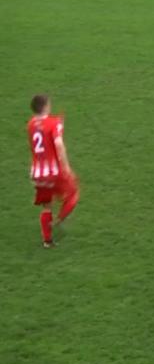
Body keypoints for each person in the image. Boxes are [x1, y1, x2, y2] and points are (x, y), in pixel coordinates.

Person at [26, 94, 79, 248]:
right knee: (73, 193)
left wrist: (57, 123)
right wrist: (66, 167)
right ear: (45, 106)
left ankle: (47, 241)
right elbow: (58, 145)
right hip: (54, 172)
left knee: (47, 205)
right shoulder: (53, 123)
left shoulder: (30, 124)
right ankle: (58, 220)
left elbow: (41, 131)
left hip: (37, 173)